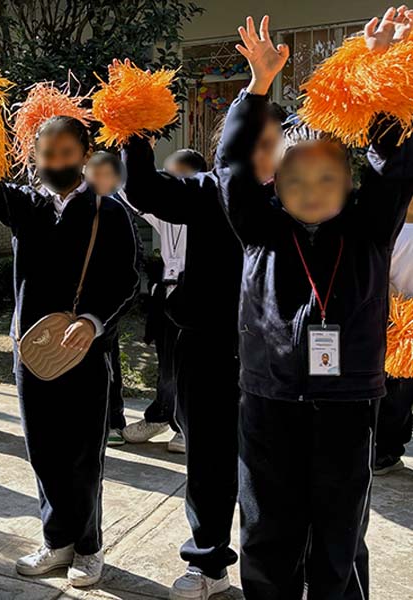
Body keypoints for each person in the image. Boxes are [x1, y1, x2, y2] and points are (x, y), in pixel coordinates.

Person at [220, 13, 413, 598]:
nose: (310, 189)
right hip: (270, 397)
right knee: (265, 529)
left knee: (338, 532)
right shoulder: (260, 229)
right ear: (275, 186)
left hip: (347, 399)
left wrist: (382, 68)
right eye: (295, 179)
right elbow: (233, 168)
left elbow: (394, 162)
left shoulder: (369, 229)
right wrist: (257, 89)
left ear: (349, 183)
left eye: (326, 177)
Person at [0, 114, 141, 587]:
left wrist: (93, 321)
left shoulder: (107, 211)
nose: (55, 161)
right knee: (44, 452)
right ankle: (58, 542)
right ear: (34, 155)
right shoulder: (24, 203)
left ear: (85, 153)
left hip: (85, 354)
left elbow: (126, 279)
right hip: (30, 353)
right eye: (46, 153)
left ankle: (89, 548)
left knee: (82, 455)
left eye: (65, 152)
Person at [121, 68, 285, 598]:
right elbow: (145, 189)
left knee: (272, 469)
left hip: (277, 355)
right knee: (209, 460)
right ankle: (207, 564)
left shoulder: (301, 193)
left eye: (274, 141)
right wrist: (135, 125)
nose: (267, 151)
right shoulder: (210, 190)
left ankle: (278, 570)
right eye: (256, 139)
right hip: (208, 345)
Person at [120, 150, 207, 453]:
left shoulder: (209, 208)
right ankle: (161, 414)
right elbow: (131, 194)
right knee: (167, 360)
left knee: (191, 364)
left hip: (197, 294)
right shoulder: (163, 212)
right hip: (167, 294)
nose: (165, 181)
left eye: (174, 174)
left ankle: (186, 425)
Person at [84, 151, 128, 447]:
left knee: (106, 362)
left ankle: (114, 420)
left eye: (104, 173)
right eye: (93, 171)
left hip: (102, 308)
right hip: (71, 307)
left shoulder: (116, 211)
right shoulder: (75, 206)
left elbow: (127, 271)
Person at [378, 196, 413, 475]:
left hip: (395, 319)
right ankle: (387, 450)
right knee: (398, 390)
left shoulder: (390, 230)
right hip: (398, 322)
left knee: (395, 389)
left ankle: (385, 451)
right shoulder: (395, 230)